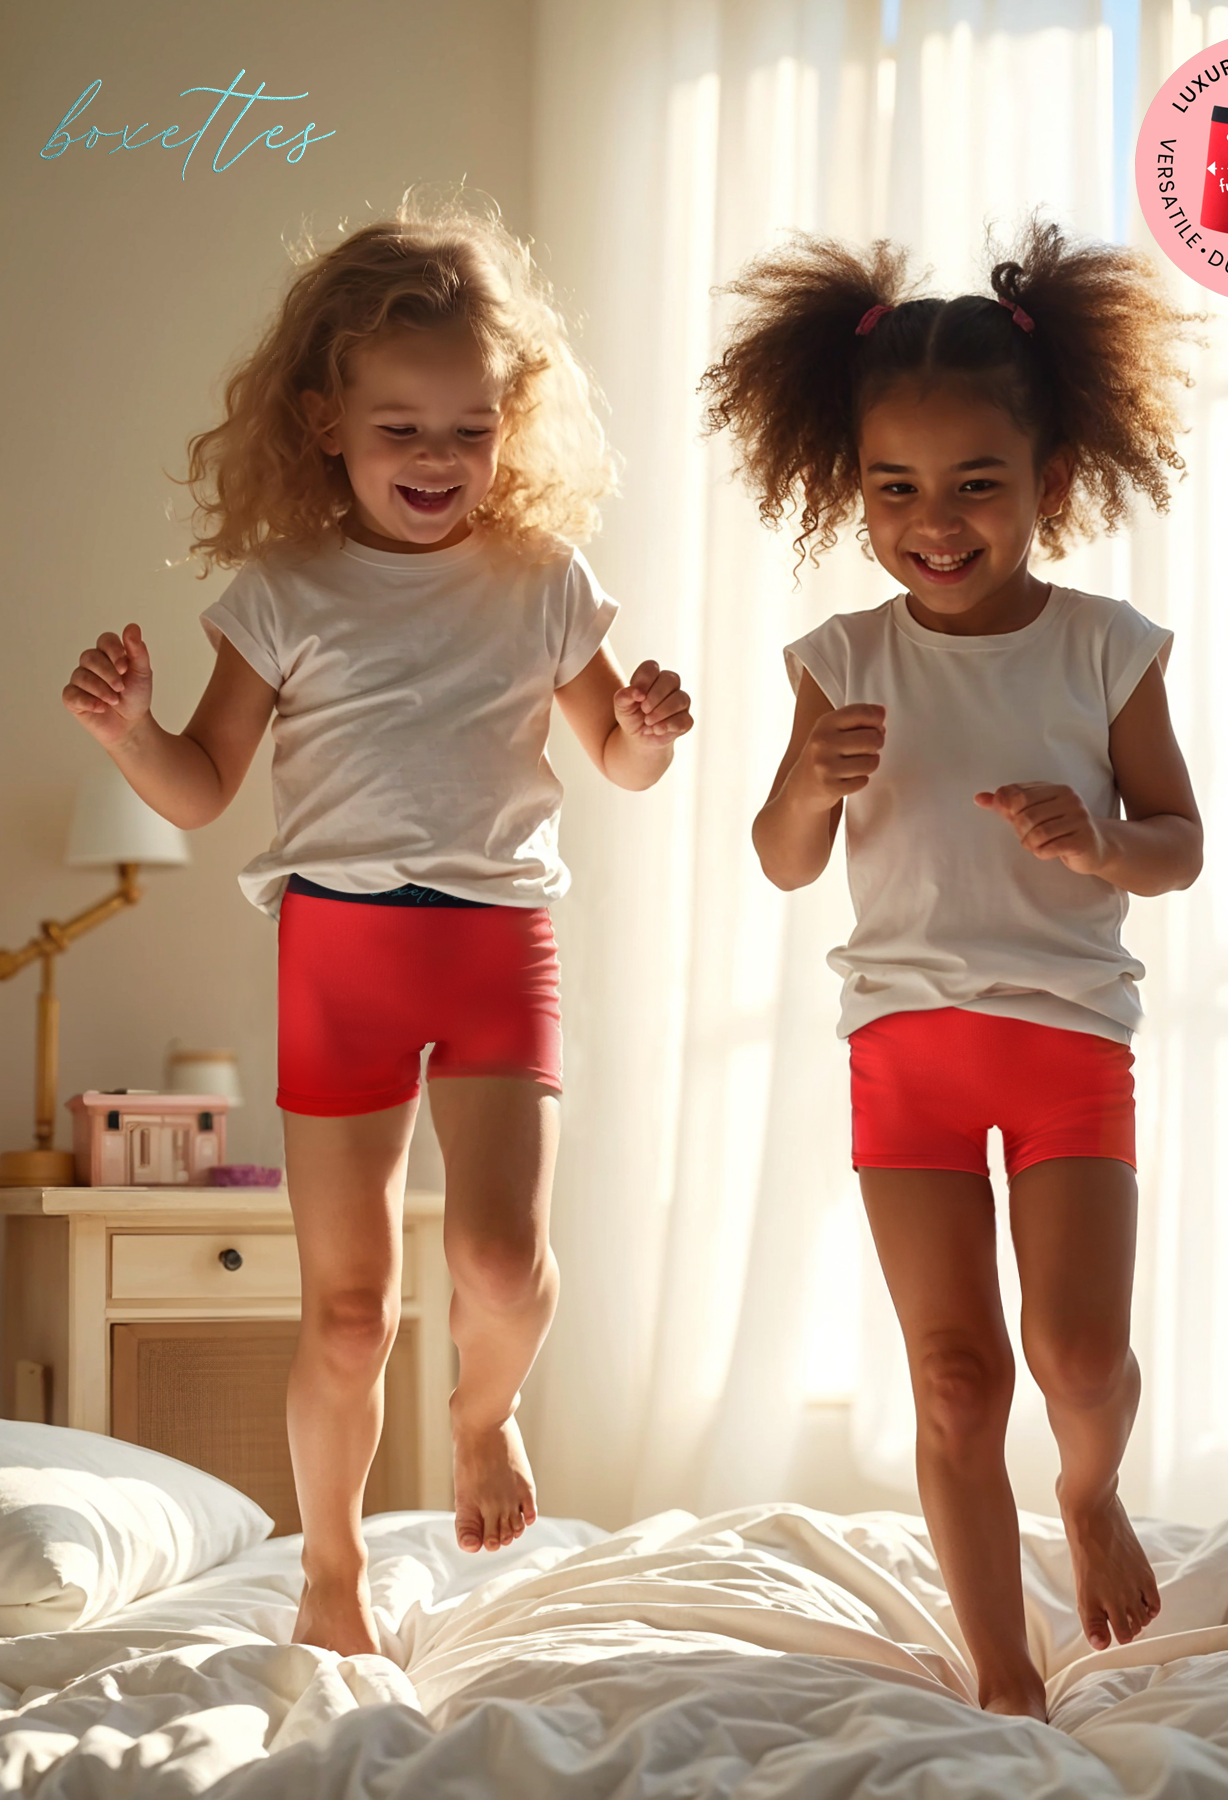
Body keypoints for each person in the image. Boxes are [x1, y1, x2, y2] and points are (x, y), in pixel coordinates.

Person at [61, 196, 692, 1658]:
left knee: (499, 1265)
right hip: (338, 945)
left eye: (467, 429)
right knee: (348, 1312)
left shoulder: (544, 583)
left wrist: (652, 729)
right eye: (399, 426)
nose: (435, 458)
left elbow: (621, 762)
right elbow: (207, 785)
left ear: (509, 429)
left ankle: (488, 1418)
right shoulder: (281, 594)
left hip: (494, 945)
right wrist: (127, 732)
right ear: (324, 420)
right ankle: (330, 1572)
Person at [705, 217, 1204, 1721]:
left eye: (978, 485)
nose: (936, 521)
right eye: (894, 489)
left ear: (1054, 482)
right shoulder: (838, 660)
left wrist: (1100, 841)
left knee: (1075, 1355)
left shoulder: (1107, 647)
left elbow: (1178, 842)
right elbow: (785, 859)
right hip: (902, 1052)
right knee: (953, 1376)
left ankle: (1095, 1488)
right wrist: (809, 781)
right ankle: (1002, 1672)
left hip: (1064, 1044)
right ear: (847, 487)